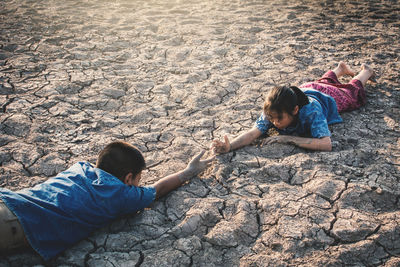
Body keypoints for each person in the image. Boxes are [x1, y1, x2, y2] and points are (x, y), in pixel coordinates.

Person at [0, 141, 214, 260]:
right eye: (138, 179)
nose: (139, 185)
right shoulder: (120, 194)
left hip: (8, 200)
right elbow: (157, 190)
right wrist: (188, 172)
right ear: (129, 178)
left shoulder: (80, 168)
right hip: (14, 226)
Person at [211, 62, 375, 153]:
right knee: (320, 82)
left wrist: (288, 138)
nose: (275, 123)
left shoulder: (311, 111)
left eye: (279, 119)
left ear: (295, 110)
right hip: (305, 88)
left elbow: (326, 144)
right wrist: (230, 146)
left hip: (326, 96)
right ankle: (340, 69)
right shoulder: (274, 108)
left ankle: (366, 72)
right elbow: (253, 133)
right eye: (272, 118)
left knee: (352, 94)